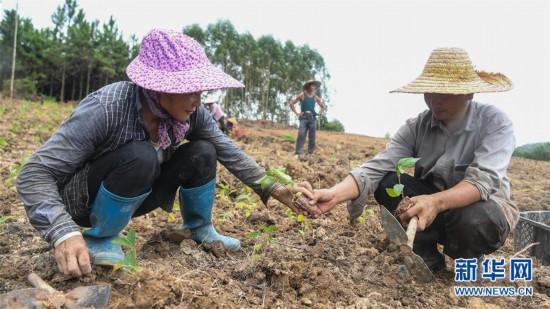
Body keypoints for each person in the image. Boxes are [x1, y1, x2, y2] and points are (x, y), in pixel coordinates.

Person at [16, 29, 319, 277]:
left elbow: (227, 149)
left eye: (200, 92)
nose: (197, 101)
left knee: (204, 150)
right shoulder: (107, 108)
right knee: (141, 154)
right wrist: (63, 232)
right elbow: (35, 174)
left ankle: (200, 228)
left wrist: (273, 186)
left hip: (138, 193)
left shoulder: (191, 114)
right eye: (189, 90)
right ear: (158, 87)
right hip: (86, 201)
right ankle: (100, 238)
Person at [296, 48, 517, 271]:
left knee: (476, 218)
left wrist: (436, 202)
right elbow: (376, 167)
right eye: (429, 92)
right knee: (388, 182)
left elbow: (482, 182)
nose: (435, 101)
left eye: (445, 93)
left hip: (479, 210)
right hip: (428, 211)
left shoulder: (495, 123)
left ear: (469, 93)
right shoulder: (416, 126)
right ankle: (425, 256)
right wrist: (334, 194)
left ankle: (468, 257)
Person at [289, 80, 326, 156]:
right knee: (301, 134)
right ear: (308, 86)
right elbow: (292, 103)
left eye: (314, 86)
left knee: (312, 136)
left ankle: (310, 153)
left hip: (312, 118)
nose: (313, 87)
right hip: (303, 118)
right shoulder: (302, 95)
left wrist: (320, 113)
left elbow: (323, 106)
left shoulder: (315, 97)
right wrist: (297, 113)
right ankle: (298, 153)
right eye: (312, 85)